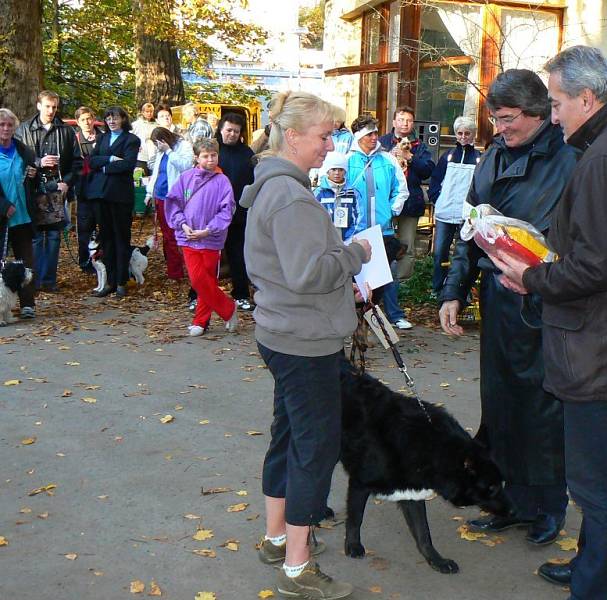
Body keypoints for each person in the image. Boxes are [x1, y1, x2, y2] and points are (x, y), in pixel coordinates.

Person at [489, 46, 607, 599]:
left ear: (587, 98)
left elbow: (596, 265)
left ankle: (594, 588)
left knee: (601, 488)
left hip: (604, 346)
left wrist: (531, 277)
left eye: (555, 104)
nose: (553, 116)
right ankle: (589, 566)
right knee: (599, 482)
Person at [239, 90, 371, 600]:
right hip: (304, 341)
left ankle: (277, 538)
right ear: (292, 136)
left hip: (285, 333)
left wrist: (336, 261)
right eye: (323, 135)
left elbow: (294, 264)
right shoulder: (290, 195)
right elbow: (307, 273)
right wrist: (354, 255)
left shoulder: (274, 186)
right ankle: (298, 565)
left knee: (290, 437)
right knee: (314, 449)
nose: (329, 145)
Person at [439, 69, 578, 548]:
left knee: (541, 410)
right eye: (494, 119)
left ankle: (547, 505)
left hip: (545, 301)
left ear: (538, 112)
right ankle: (510, 500)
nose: (499, 128)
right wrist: (453, 290)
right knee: (499, 405)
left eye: (506, 119)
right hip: (498, 300)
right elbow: (470, 224)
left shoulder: (572, 158)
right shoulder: (494, 156)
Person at [164, 138, 237, 336]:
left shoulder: (222, 181)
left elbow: (227, 210)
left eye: (214, 155)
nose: (210, 160)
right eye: (205, 156)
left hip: (211, 239)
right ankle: (228, 309)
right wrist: (183, 224)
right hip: (189, 238)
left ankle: (201, 321)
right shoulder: (186, 178)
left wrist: (209, 230)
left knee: (207, 280)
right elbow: (173, 203)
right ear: (196, 158)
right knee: (197, 280)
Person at [15, 90, 81, 292]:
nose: (51, 110)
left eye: (54, 107)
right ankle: (33, 281)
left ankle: (49, 281)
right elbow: (16, 159)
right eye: (47, 106)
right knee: (35, 237)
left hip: (57, 190)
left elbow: (77, 162)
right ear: (38, 105)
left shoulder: (67, 131)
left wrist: (67, 183)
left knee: (53, 237)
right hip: (33, 189)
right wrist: (38, 161)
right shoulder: (24, 129)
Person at [378, 107, 435, 329]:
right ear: (393, 121)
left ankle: (399, 288)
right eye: (401, 119)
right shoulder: (381, 142)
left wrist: (409, 157)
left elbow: (428, 170)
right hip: (385, 204)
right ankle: (382, 290)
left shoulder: (419, 146)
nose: (404, 124)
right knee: (383, 247)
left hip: (410, 204)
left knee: (407, 248)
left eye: (408, 120)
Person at [345, 113, 408, 308]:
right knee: (355, 281)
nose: (374, 138)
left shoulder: (388, 159)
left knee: (378, 283)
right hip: (355, 232)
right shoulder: (347, 160)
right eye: (369, 134)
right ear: (358, 137)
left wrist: (392, 210)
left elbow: (401, 188)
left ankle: (374, 320)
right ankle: (354, 327)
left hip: (382, 231)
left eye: (375, 133)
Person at [85, 106, 140, 298]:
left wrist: (104, 168)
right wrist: (109, 159)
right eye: (108, 118)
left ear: (124, 119)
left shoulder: (131, 139)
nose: (111, 121)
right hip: (100, 195)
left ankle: (121, 281)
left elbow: (127, 164)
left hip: (120, 196)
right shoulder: (102, 138)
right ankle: (109, 280)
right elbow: (91, 162)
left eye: (115, 117)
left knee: (121, 237)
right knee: (106, 238)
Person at [428, 117, 480, 295]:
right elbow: (435, 180)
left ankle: (460, 290)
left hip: (466, 216)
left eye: (467, 133)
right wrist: (437, 199)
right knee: (440, 254)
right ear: (456, 135)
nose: (464, 137)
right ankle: (438, 288)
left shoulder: (479, 159)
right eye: (460, 133)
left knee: (464, 255)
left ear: (473, 135)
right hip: (444, 213)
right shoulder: (448, 156)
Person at [214, 113, 255, 311]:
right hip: (213, 213)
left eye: (236, 131)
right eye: (228, 130)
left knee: (238, 255)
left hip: (239, 213)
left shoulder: (246, 153)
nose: (231, 134)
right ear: (221, 129)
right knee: (209, 256)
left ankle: (241, 294)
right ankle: (198, 294)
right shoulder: (212, 151)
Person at [0, 108, 38, 318]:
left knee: (26, 262)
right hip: (2, 217)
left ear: (15, 127)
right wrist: (3, 206)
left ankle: (27, 305)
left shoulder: (23, 150)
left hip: (23, 216)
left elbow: (32, 179)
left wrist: (33, 174)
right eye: (1, 125)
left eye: (9, 125)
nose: (5, 129)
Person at [145, 127, 195, 283]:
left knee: (175, 236)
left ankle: (178, 272)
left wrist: (168, 151)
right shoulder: (160, 152)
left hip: (175, 198)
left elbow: (185, 166)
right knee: (167, 236)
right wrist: (149, 193)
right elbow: (157, 173)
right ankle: (173, 269)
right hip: (160, 196)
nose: (157, 146)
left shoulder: (183, 146)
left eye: (157, 143)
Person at [73, 106, 103, 271]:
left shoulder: (103, 137)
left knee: (104, 227)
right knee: (85, 228)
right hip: (83, 190)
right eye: (83, 119)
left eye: (89, 118)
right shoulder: (74, 139)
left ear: (94, 119)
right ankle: (85, 262)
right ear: (78, 122)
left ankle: (103, 259)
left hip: (102, 190)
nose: (87, 122)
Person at [314, 151, 359, 241]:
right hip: (325, 242)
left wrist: (349, 239)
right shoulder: (319, 193)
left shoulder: (353, 193)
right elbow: (313, 219)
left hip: (348, 241)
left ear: (345, 171)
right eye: (333, 169)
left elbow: (359, 218)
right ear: (327, 171)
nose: (337, 173)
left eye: (340, 169)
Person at [131, 102, 157, 173]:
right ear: (143, 112)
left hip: (154, 157)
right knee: (140, 178)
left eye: (151, 111)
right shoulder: (136, 124)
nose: (149, 113)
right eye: (147, 111)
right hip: (141, 157)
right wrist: (134, 147)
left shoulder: (157, 124)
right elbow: (129, 137)